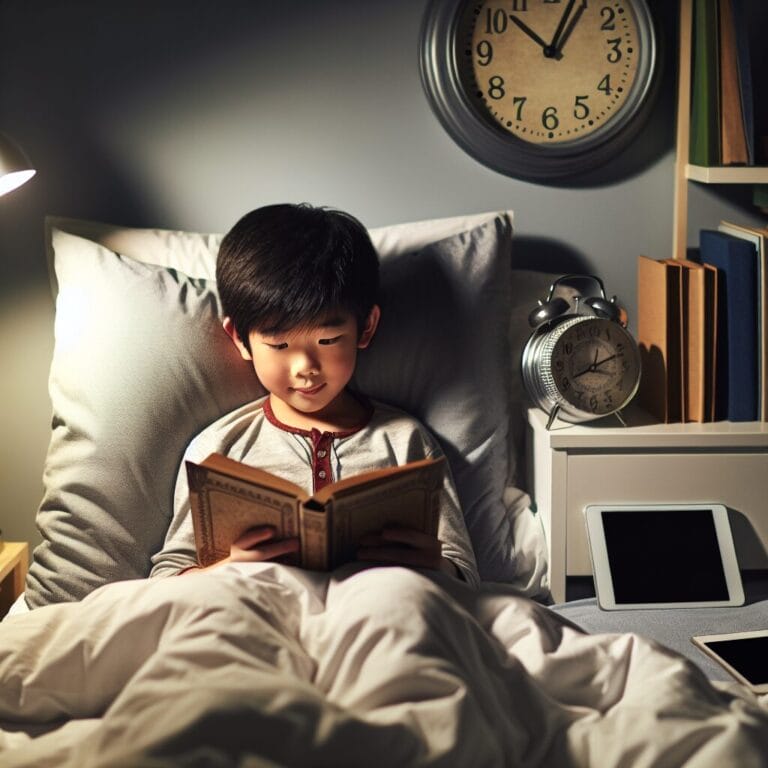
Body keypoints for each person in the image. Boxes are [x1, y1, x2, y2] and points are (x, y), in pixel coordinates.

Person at [150, 202, 479, 586]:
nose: (305, 366)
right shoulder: (218, 449)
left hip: (379, 614)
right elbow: (166, 579)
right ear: (240, 339)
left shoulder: (405, 441)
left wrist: (436, 566)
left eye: (328, 340)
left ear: (366, 327)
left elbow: (466, 574)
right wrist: (229, 569)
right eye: (278, 345)